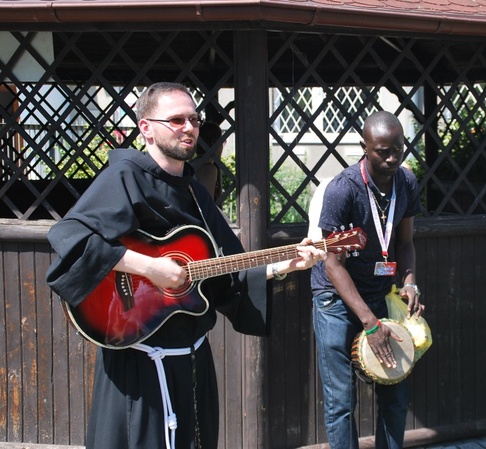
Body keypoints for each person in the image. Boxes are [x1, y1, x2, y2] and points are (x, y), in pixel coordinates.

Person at [45, 82, 326, 449]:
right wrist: (149, 267)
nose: (189, 127)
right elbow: (69, 235)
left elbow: (227, 267)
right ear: (146, 126)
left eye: (193, 119)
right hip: (140, 362)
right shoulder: (125, 177)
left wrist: (284, 264)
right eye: (176, 119)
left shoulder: (193, 189)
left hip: (191, 359)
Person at [310, 110, 425, 449]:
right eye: (382, 151)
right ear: (364, 147)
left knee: (395, 391)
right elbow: (332, 263)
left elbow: (405, 243)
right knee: (342, 402)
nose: (391, 158)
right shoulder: (342, 190)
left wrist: (409, 283)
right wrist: (370, 324)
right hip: (336, 298)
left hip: (381, 293)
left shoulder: (406, 181)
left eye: (398, 149)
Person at [192, 121, 225, 200]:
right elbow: (207, 205)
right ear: (215, 143)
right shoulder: (208, 168)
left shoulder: (193, 164)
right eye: (222, 142)